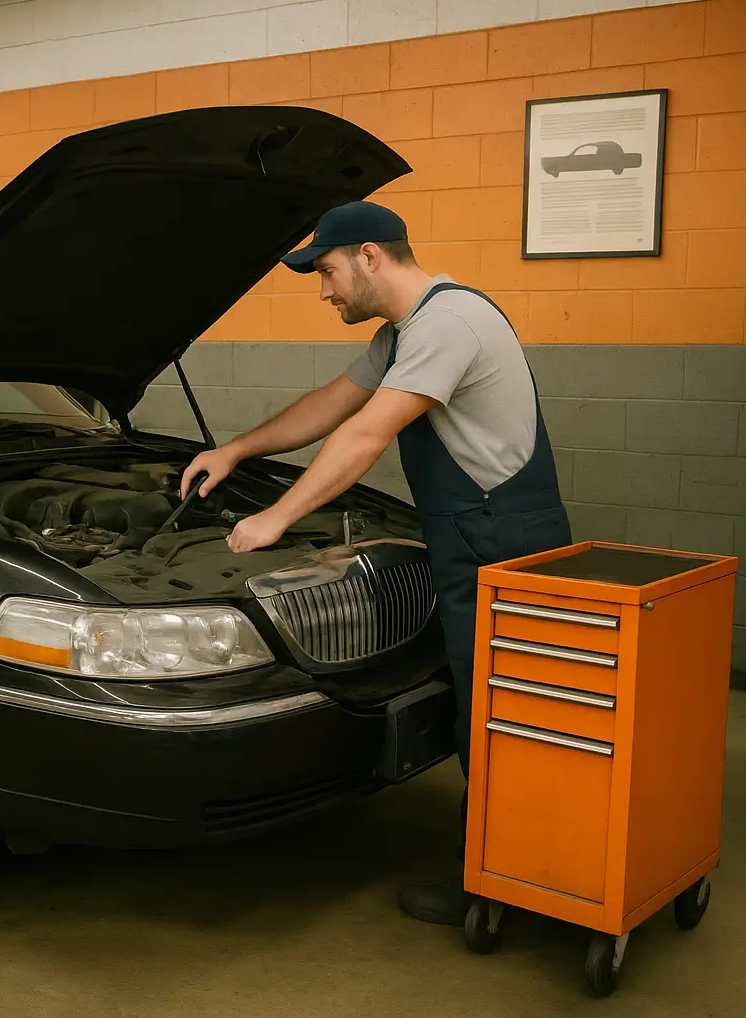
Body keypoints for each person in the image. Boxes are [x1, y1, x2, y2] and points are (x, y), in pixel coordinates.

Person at [180, 201, 572, 925]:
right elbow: (333, 404)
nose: (323, 290)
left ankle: (498, 885)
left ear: (369, 256)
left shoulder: (447, 325)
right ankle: (513, 866)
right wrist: (236, 449)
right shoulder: (406, 334)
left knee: (497, 714)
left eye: (326, 272)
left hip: (501, 541)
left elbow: (365, 434)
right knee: (483, 707)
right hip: (474, 535)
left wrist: (276, 518)